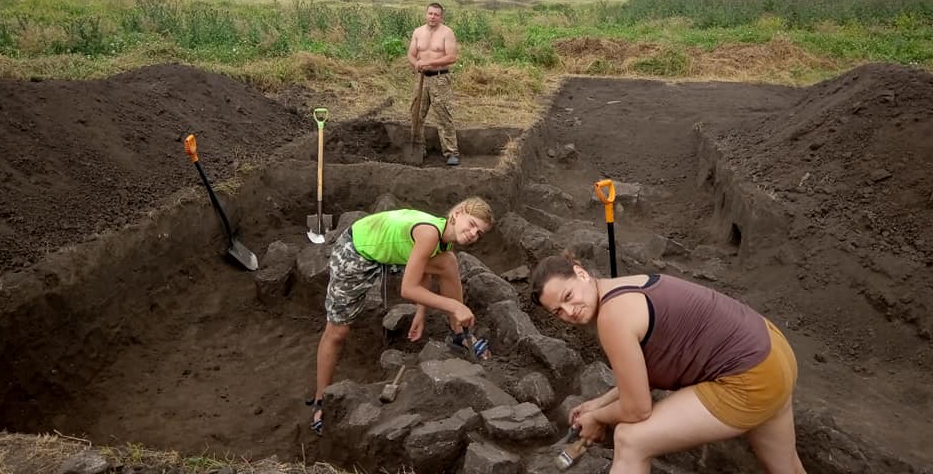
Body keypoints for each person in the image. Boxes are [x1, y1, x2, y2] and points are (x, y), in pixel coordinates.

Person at [530, 253, 805, 474]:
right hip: (772, 351)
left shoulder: (612, 318)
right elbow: (651, 371)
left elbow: (637, 409)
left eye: (568, 296)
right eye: (558, 312)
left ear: (581, 273)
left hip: (750, 377)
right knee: (785, 466)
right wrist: (599, 404)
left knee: (630, 440)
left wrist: (597, 419)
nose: (569, 312)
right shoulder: (625, 287)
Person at [309, 197, 495, 435]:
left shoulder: (443, 239)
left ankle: (458, 335)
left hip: (388, 251)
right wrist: (455, 306)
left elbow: (422, 269)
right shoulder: (429, 232)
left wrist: (421, 311)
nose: (472, 233)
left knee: (447, 262)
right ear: (457, 213)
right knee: (338, 331)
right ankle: (320, 400)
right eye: (471, 224)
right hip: (358, 251)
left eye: (479, 233)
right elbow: (407, 289)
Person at [407, 2, 460, 166]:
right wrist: (416, 63)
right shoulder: (418, 32)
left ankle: (451, 153)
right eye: (430, 13)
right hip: (421, 78)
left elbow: (452, 57)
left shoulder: (447, 33)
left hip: (439, 79)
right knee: (416, 114)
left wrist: (431, 62)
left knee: (443, 115)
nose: (433, 17)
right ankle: (418, 148)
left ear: (441, 17)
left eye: (436, 14)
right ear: (426, 14)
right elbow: (411, 53)